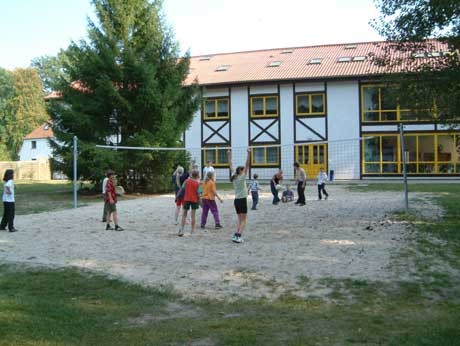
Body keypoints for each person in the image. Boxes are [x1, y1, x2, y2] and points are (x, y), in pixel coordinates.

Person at [229, 148, 251, 244]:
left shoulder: (234, 177)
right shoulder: (242, 177)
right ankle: (239, 236)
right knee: (244, 220)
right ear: (241, 171)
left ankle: (235, 234)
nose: (244, 170)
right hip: (242, 200)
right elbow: (247, 165)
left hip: (236, 201)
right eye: (243, 170)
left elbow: (230, 165)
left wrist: (228, 154)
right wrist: (249, 154)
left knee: (239, 219)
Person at [178, 170, 201, 236]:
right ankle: (192, 231)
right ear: (197, 175)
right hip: (194, 200)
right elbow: (199, 194)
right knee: (193, 215)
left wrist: (178, 196)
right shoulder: (197, 183)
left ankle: (182, 229)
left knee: (184, 215)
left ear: (191, 174)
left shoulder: (186, 181)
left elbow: (182, 189)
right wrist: (201, 203)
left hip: (186, 199)